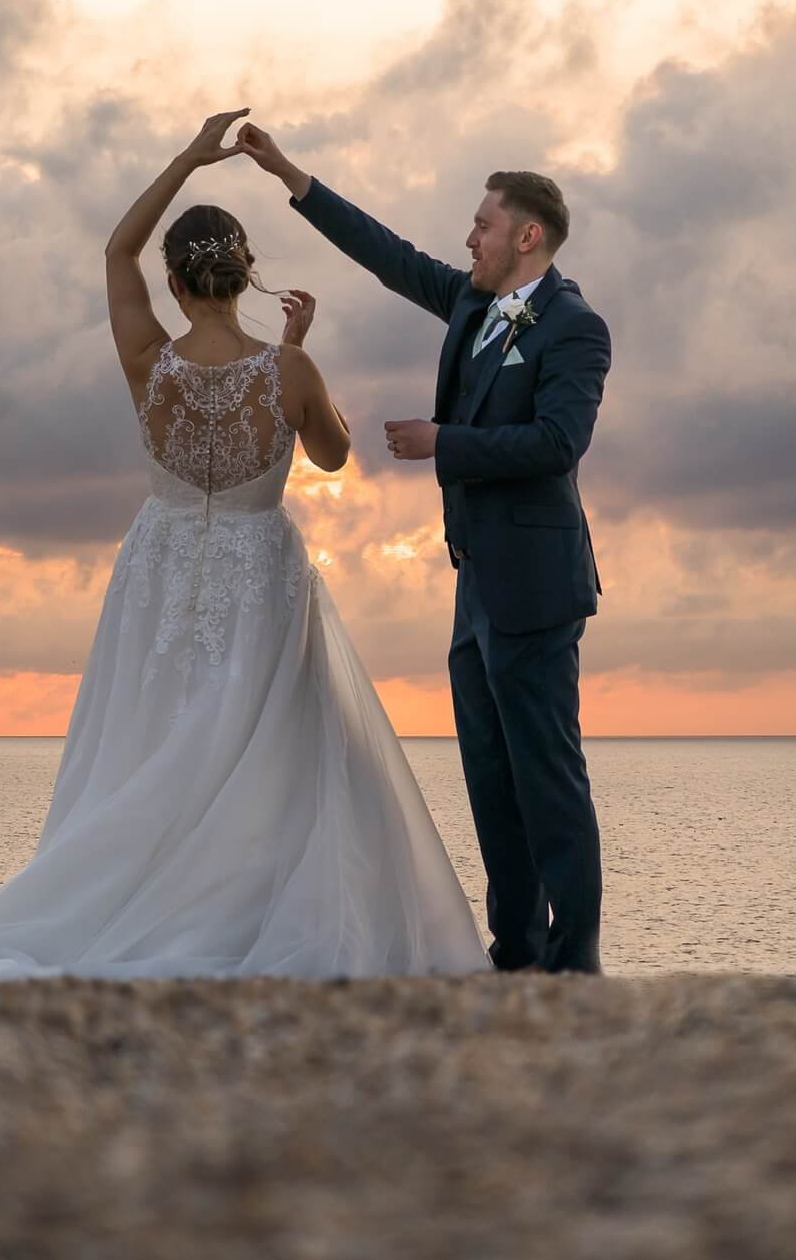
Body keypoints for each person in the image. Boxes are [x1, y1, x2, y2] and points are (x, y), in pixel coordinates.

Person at [0, 110, 489, 980]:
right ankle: (239, 909)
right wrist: (298, 353)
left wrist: (189, 155)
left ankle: (135, 898)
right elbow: (332, 455)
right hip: (257, 572)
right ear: (244, 276)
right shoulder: (286, 370)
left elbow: (114, 252)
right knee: (264, 748)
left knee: (150, 734)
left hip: (160, 567)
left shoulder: (147, 359)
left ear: (176, 282)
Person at [237, 122, 611, 975]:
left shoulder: (575, 329)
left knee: (548, 780)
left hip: (539, 589)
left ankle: (575, 961)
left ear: (527, 236)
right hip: (474, 587)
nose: (467, 238)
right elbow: (387, 254)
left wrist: (445, 442)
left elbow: (559, 441)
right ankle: (515, 948)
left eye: (482, 225)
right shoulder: (474, 304)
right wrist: (289, 176)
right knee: (490, 780)